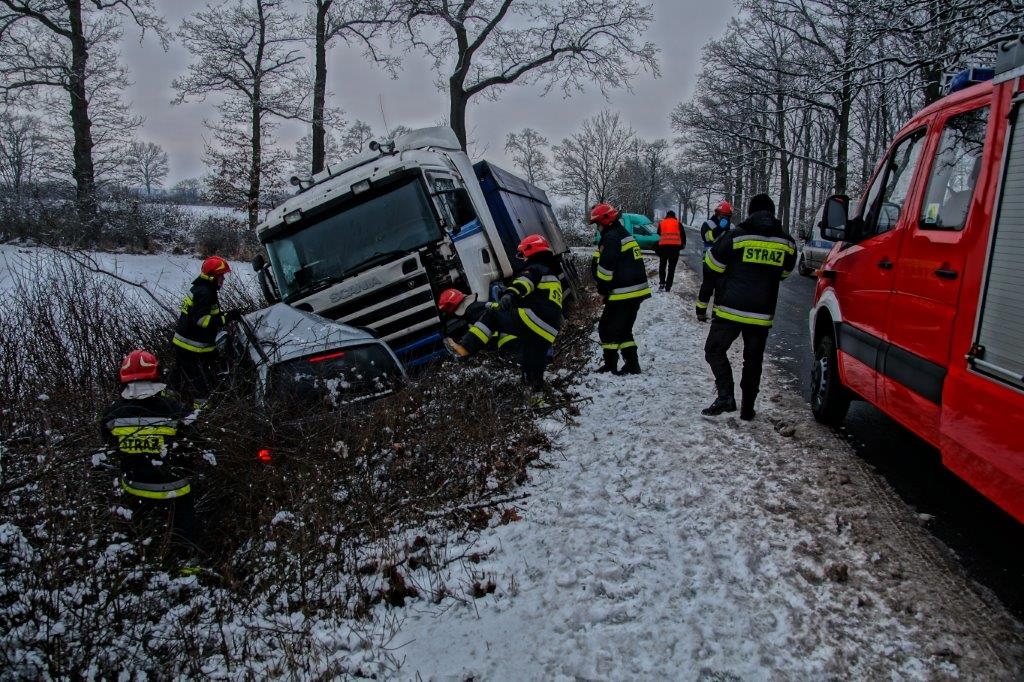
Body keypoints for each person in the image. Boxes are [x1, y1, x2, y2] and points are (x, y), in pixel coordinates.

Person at [697, 194, 796, 420]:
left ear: (751, 212)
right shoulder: (787, 243)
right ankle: (748, 409)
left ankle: (725, 397)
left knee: (714, 350)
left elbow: (712, 264)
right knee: (753, 361)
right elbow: (785, 273)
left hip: (729, 310)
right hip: (761, 314)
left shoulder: (736, 236)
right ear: (772, 213)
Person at [102, 350, 196, 551]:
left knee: (139, 534)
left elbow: (108, 446)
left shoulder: (113, 414)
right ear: (156, 374)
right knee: (183, 528)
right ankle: (186, 563)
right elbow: (195, 442)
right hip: (175, 488)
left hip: (136, 487)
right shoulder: (175, 409)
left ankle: (143, 560)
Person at [444, 235, 562, 391]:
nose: (523, 259)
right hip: (549, 330)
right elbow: (536, 299)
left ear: (530, 251)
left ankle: (465, 348)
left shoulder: (535, 268)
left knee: (492, 314)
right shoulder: (552, 275)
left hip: (536, 320)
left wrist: (510, 294)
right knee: (531, 367)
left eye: (523, 254)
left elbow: (524, 283)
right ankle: (537, 397)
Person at [591, 202, 652, 375]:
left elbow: (605, 269)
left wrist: (603, 290)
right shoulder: (621, 234)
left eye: (598, 223)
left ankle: (610, 365)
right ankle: (632, 364)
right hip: (633, 291)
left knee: (606, 327)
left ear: (606, 221)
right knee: (624, 329)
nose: (597, 227)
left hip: (623, 292)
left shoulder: (611, 238)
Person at [172, 255, 231, 408]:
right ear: (213, 276)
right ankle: (202, 411)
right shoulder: (205, 292)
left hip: (188, 342)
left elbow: (210, 314)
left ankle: (169, 400)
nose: (223, 279)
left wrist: (224, 316)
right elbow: (201, 320)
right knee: (200, 380)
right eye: (221, 275)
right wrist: (226, 319)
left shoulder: (204, 288)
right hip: (191, 345)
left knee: (178, 376)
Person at [437, 287, 520, 356]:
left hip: (509, 340)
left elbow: (490, 332)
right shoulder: (478, 305)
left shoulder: (473, 312)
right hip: (517, 330)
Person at [655, 210, 685, 291]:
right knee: (671, 268)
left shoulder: (662, 223)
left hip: (663, 248)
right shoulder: (678, 223)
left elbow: (658, 235)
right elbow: (683, 236)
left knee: (662, 266)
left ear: (667, 215)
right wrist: (681, 246)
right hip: (674, 249)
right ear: (674, 216)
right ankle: (668, 287)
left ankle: (661, 283)